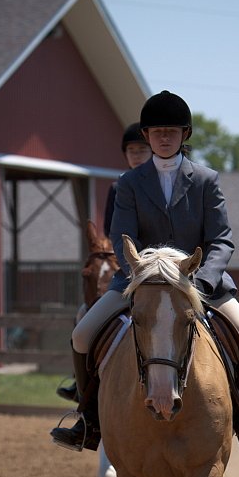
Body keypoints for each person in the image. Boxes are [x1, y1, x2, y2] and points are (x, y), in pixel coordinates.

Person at [50, 90, 239, 453]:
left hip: (202, 283)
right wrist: (142, 276)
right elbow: (122, 238)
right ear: (146, 135)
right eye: (156, 130)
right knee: (82, 335)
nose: (163, 136)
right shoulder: (128, 184)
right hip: (140, 281)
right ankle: (88, 421)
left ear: (184, 134)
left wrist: (200, 281)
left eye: (171, 130)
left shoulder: (206, 180)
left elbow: (221, 240)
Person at [56, 123, 151, 402]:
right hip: (129, 268)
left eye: (141, 150)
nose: (136, 155)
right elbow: (113, 230)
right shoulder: (118, 186)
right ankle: (83, 399)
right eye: (131, 151)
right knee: (83, 324)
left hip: (167, 269)